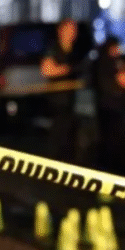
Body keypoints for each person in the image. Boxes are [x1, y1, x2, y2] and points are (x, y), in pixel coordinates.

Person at [40, 18, 91, 162]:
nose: (72, 33)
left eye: (74, 30)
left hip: (72, 100)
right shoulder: (54, 48)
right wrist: (69, 69)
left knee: (71, 137)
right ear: (60, 31)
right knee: (59, 135)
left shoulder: (76, 50)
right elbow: (47, 70)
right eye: (69, 29)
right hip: (57, 100)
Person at [92, 36, 125, 174]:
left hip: (115, 109)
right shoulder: (106, 63)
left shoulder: (115, 61)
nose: (118, 50)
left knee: (116, 143)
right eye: (116, 47)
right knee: (111, 143)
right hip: (110, 109)